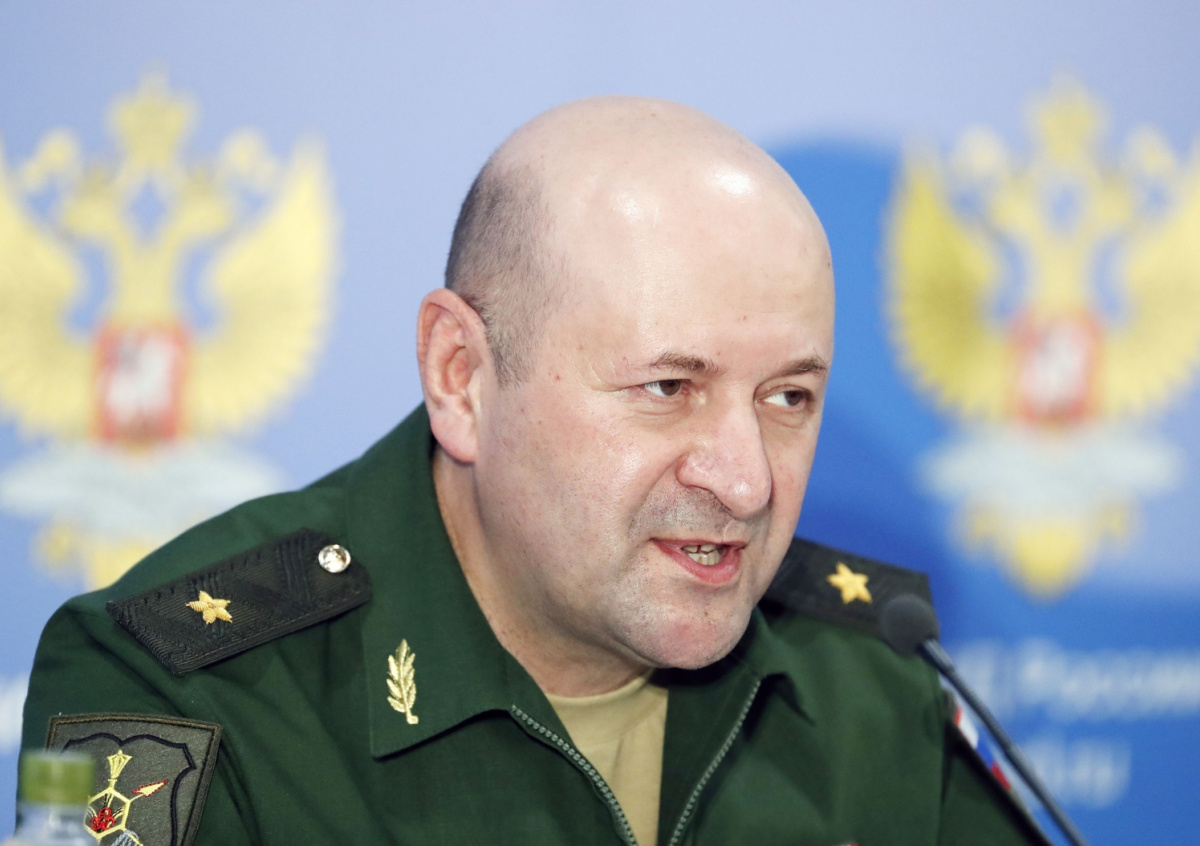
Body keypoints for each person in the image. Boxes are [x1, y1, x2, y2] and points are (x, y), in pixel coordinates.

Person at [21, 97, 1048, 845]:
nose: (746, 484)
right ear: (461, 378)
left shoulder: (873, 681)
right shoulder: (170, 687)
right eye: (668, 387)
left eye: (788, 399)